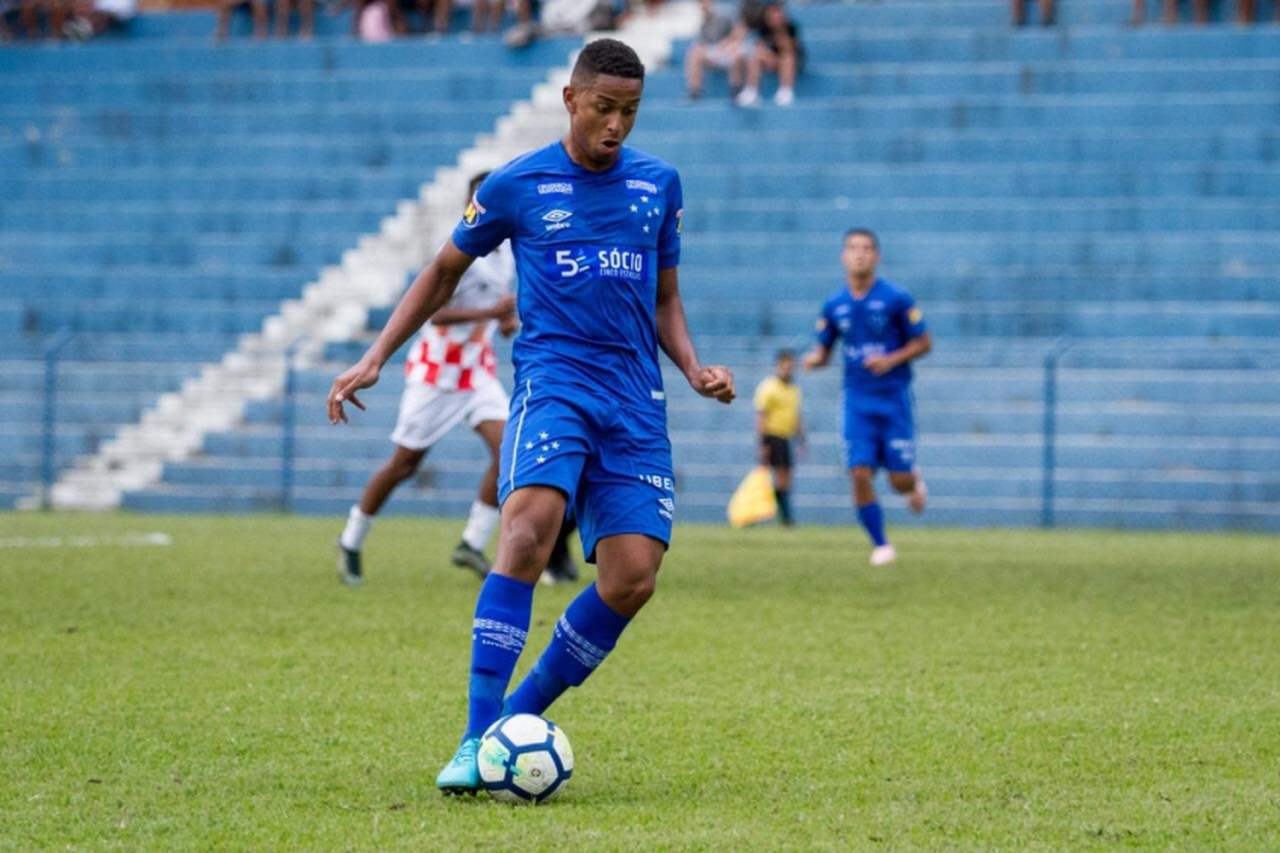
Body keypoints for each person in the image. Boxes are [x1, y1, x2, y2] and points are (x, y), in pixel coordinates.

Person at [326, 38, 735, 795]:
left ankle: (518, 714)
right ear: (571, 100)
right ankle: (477, 735)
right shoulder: (517, 184)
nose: (617, 125)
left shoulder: (658, 186)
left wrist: (694, 367)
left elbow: (666, 297)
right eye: (606, 108)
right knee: (524, 529)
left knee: (633, 577)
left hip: (634, 399)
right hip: (553, 383)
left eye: (632, 112)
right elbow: (444, 270)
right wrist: (377, 354)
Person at [337, 172, 518, 586]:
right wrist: (490, 314)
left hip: (477, 371)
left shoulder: (506, 252)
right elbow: (435, 314)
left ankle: (472, 542)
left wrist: (504, 322)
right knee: (405, 464)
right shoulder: (460, 251)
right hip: (437, 374)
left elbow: (494, 309)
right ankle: (352, 537)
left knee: (509, 451)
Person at [802, 229, 930, 567]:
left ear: (877, 256)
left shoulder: (896, 298)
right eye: (853, 248)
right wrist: (815, 359)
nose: (860, 254)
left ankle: (912, 479)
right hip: (857, 400)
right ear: (844, 256)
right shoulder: (834, 305)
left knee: (899, 481)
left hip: (894, 398)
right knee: (859, 471)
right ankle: (881, 544)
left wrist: (890, 360)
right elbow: (825, 348)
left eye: (867, 249)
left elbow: (924, 342)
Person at [752, 349, 804, 526]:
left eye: (791, 366)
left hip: (786, 438)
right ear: (778, 366)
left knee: (786, 480)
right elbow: (761, 417)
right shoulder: (768, 387)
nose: (788, 370)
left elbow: (796, 416)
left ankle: (783, 516)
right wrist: (763, 444)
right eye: (785, 366)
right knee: (780, 479)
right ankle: (785, 518)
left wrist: (801, 439)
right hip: (772, 437)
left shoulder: (794, 389)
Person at [734, 0, 802, 108]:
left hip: (792, 63)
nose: (774, 16)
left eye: (777, 13)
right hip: (772, 60)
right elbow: (759, 47)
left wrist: (779, 32)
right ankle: (751, 91)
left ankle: (785, 91)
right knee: (755, 57)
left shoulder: (790, 27)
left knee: (787, 58)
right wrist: (768, 56)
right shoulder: (763, 28)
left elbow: (790, 50)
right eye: (771, 13)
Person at [683, 0, 744, 100]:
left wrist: (726, 43)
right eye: (700, 3)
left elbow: (739, 31)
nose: (703, 5)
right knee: (694, 54)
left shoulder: (725, 14)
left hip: (729, 50)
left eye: (705, 2)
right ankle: (694, 91)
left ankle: (736, 90)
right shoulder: (703, 21)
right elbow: (701, 43)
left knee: (737, 52)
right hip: (715, 53)